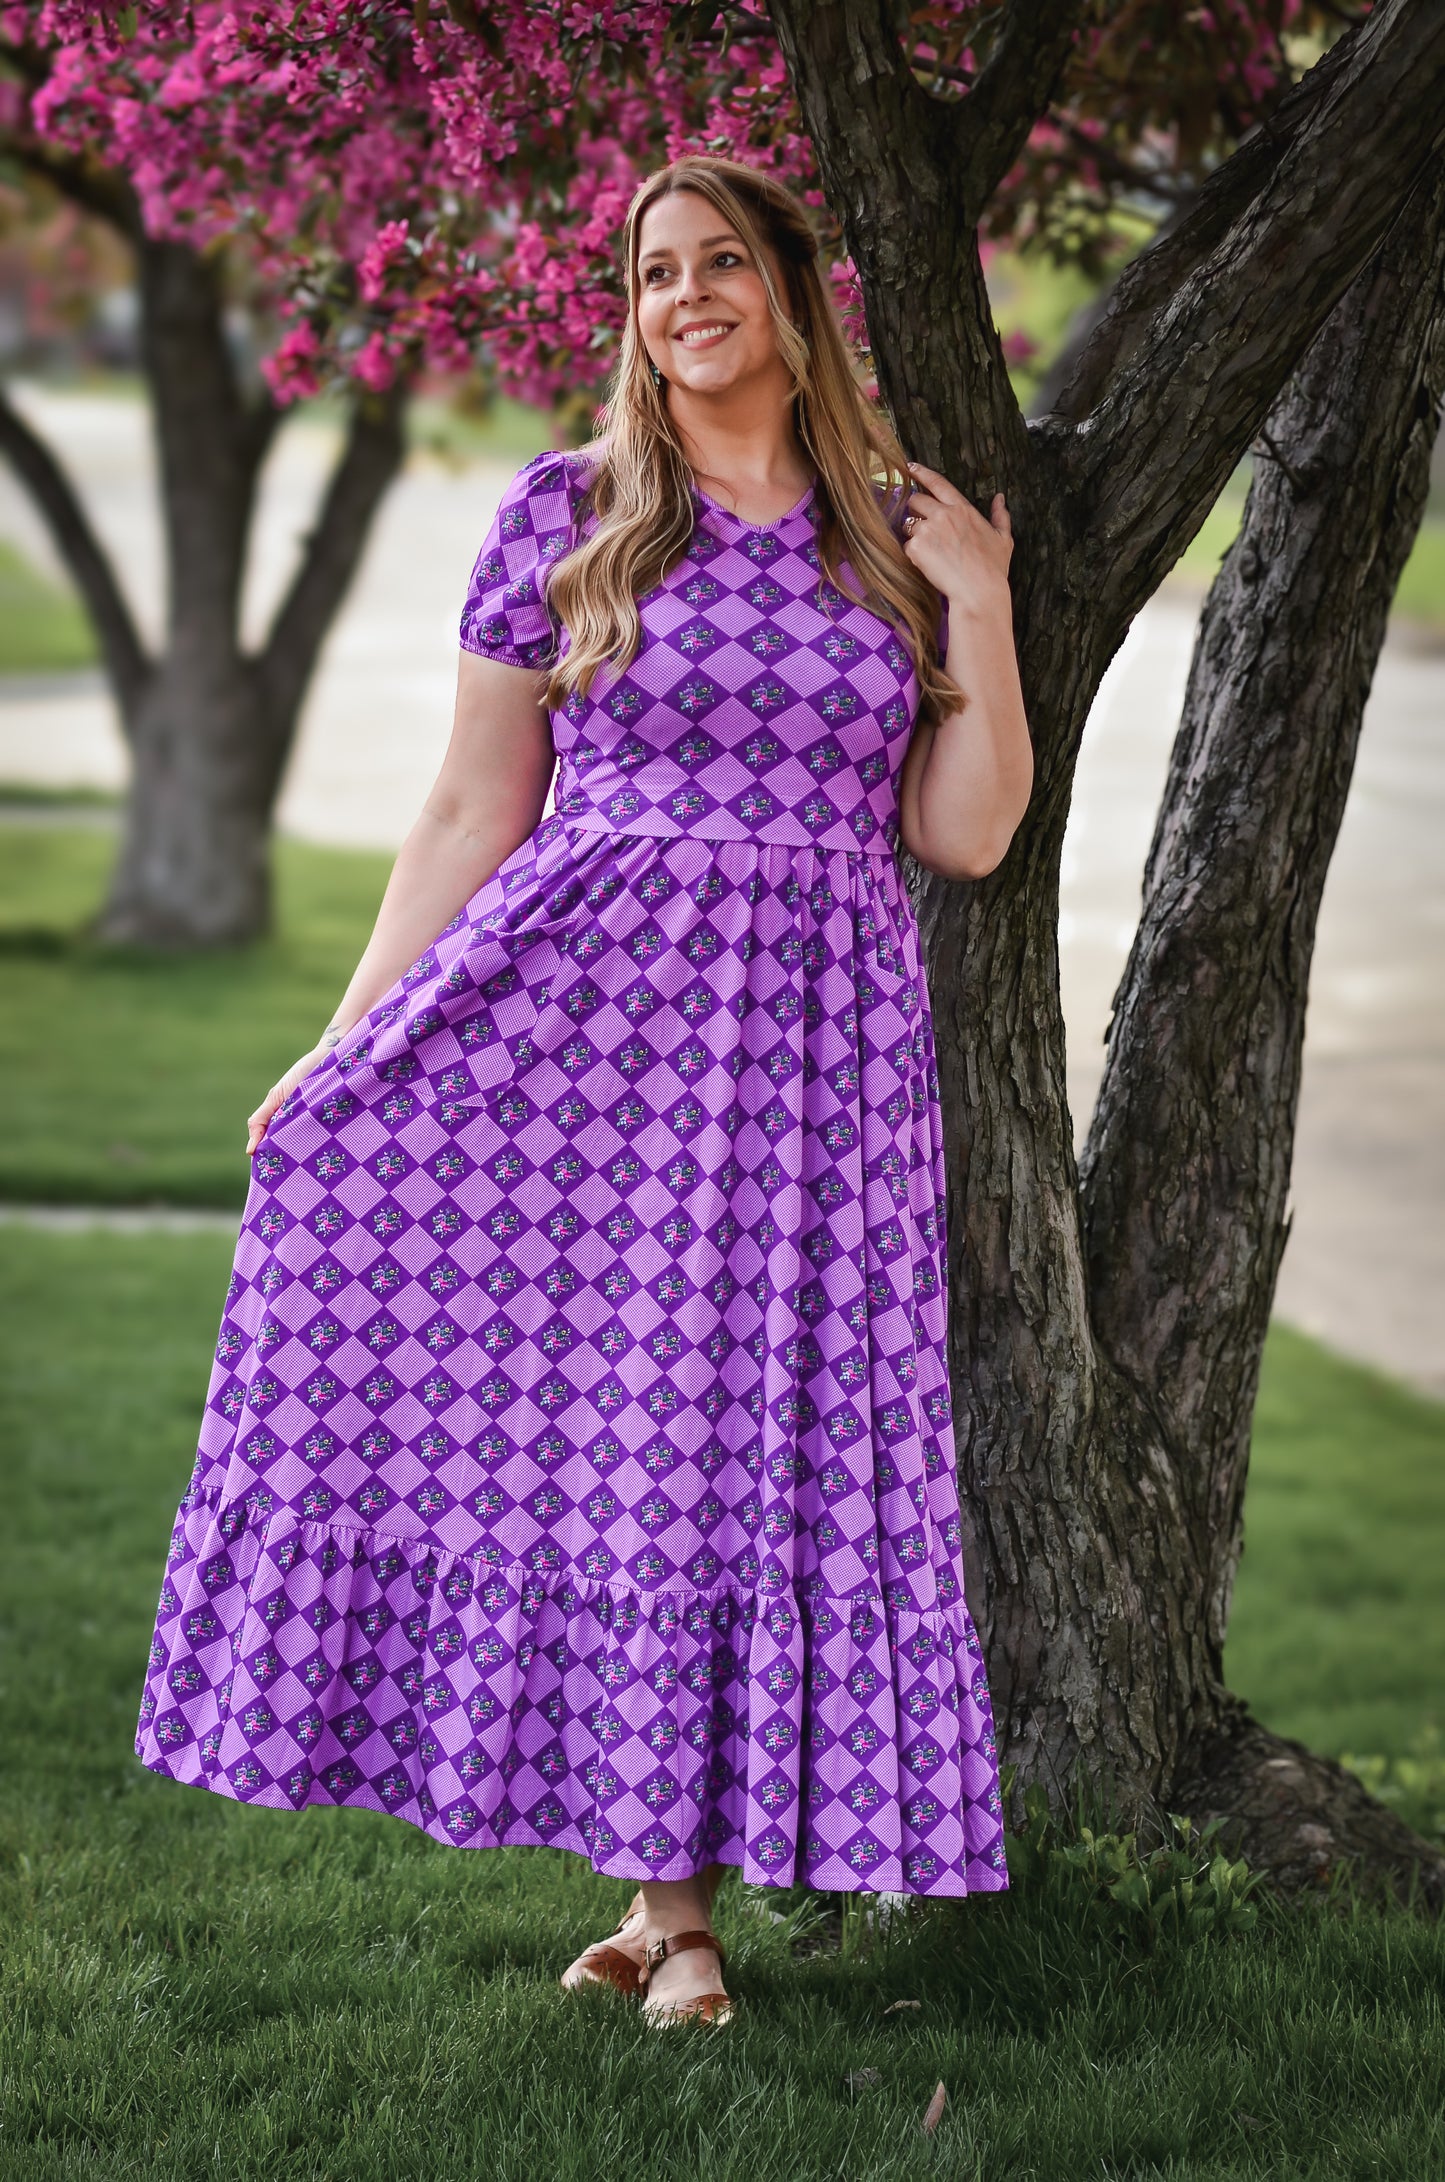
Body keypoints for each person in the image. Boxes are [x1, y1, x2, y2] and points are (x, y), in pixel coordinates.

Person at [136, 152, 1033, 2031]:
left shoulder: (892, 535)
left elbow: (963, 834)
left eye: (721, 263)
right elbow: (475, 806)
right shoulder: (571, 512)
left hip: (807, 1056)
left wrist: (982, 605)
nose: (686, 295)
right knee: (614, 1446)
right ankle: (671, 1912)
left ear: (792, 292)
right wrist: (348, 1035)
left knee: (727, 1454)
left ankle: (667, 1903)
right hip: (576, 1051)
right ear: (629, 314)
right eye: (652, 274)